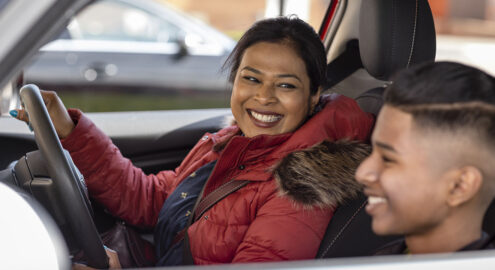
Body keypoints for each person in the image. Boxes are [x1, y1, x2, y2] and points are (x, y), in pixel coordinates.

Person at [12, 17, 373, 265]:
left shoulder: (301, 189)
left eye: (285, 85)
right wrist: (69, 129)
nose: (263, 97)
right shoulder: (230, 143)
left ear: (314, 96)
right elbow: (153, 200)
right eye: (251, 78)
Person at [355, 61, 495, 255]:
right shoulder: (383, 260)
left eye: (388, 159)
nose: (362, 173)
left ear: (459, 186)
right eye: (373, 152)